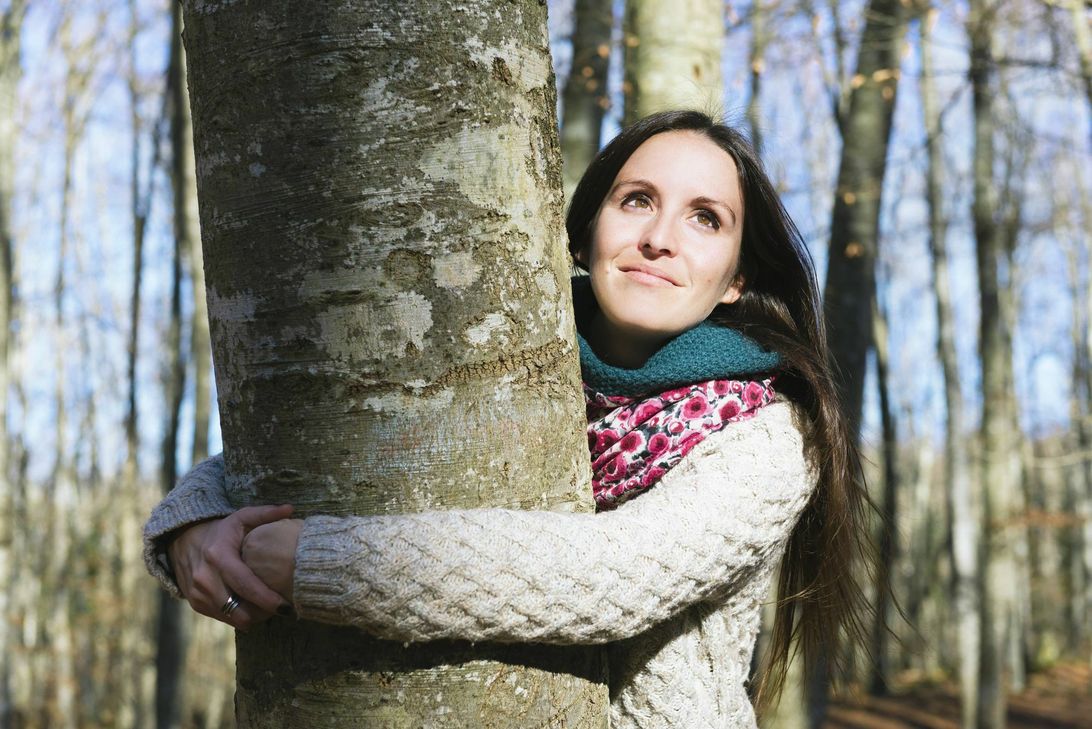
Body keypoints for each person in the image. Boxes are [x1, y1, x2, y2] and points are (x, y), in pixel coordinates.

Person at [144, 110, 873, 727]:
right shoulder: (515, 367)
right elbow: (367, 441)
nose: (660, 238)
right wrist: (194, 523)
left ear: (736, 278)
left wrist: (316, 560)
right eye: (637, 201)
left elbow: (611, 576)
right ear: (588, 230)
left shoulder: (770, 435)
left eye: (705, 219)